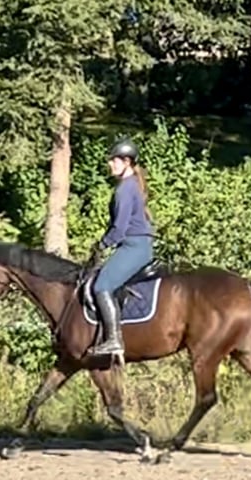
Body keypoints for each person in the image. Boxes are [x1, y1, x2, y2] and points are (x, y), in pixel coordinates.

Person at [87, 137, 155, 357]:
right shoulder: (132, 185)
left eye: (114, 160)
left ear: (126, 162)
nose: (110, 164)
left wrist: (102, 245)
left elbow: (120, 227)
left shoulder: (125, 189)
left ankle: (114, 340)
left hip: (133, 246)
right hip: (137, 245)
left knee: (101, 286)